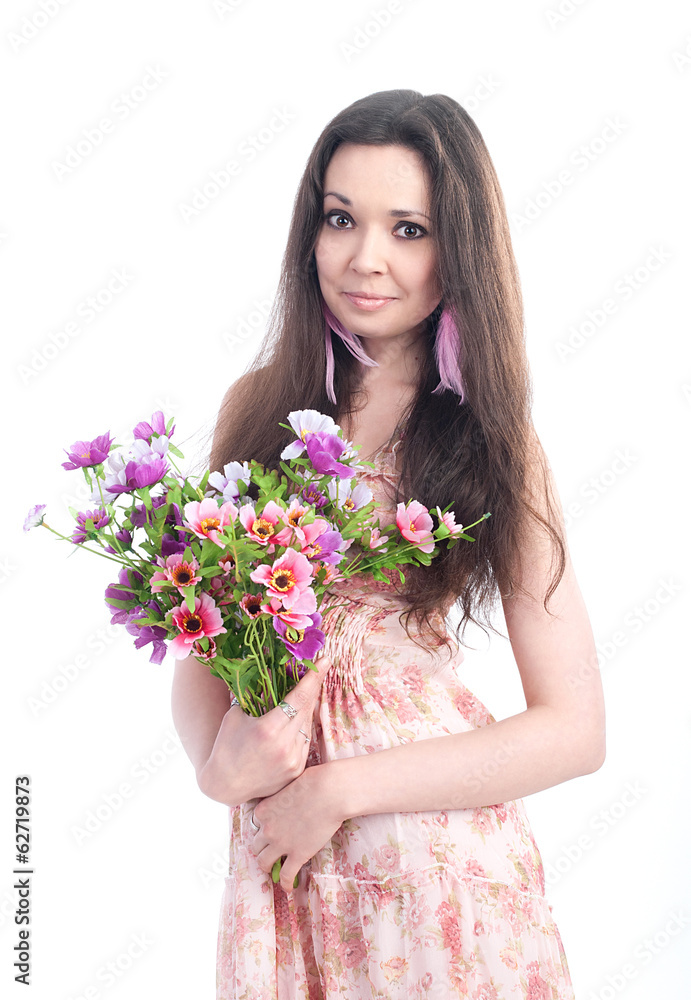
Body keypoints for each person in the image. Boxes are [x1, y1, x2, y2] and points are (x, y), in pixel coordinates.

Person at [171, 89, 606, 999]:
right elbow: (203, 662)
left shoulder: (491, 441)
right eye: (340, 219)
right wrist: (221, 771)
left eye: (408, 228)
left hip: (435, 877)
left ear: (460, 249)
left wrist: (339, 790)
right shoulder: (255, 412)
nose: (365, 259)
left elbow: (574, 729)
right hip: (285, 871)